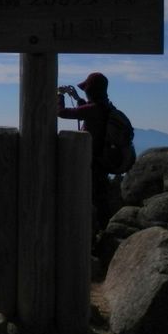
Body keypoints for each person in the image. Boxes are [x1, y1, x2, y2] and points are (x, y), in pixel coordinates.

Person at [57, 71, 113, 235]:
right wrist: (76, 97)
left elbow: (62, 113)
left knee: (87, 199)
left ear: (91, 91)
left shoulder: (94, 109)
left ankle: (92, 235)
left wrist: (59, 95)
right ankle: (104, 232)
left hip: (92, 163)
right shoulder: (106, 105)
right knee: (99, 199)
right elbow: (88, 110)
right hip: (101, 161)